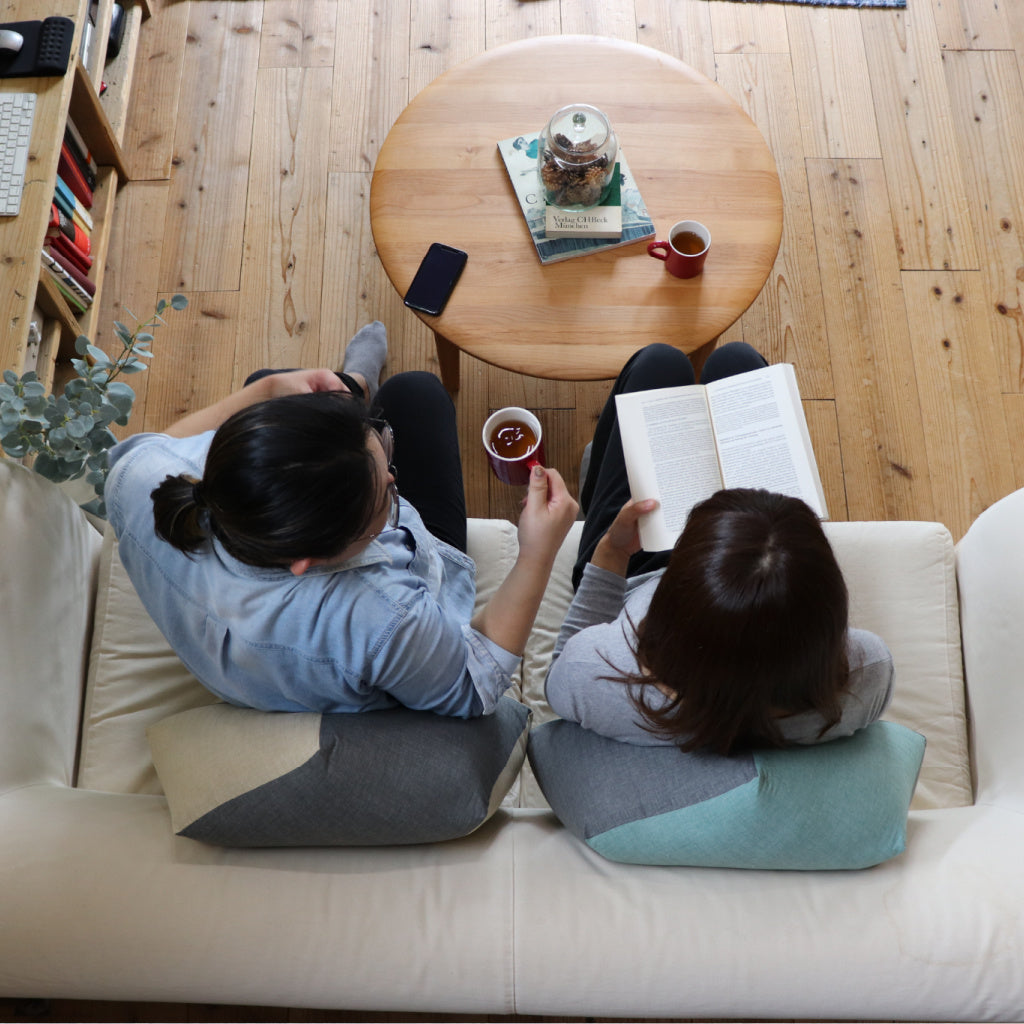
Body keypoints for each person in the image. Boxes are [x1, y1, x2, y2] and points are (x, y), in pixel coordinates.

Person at [105, 322, 578, 718]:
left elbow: (148, 446)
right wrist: (537, 553)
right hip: (366, 642)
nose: (395, 476)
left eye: (377, 440)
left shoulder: (136, 475)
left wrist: (266, 391)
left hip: (240, 661)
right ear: (307, 561)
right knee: (420, 391)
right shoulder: (381, 616)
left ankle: (355, 384)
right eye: (386, 498)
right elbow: (475, 687)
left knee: (277, 377)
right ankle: (357, 388)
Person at [545, 343, 894, 756]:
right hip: (769, 585)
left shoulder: (600, 676)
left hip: (634, 572)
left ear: (667, 622)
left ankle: (597, 483)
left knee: (659, 363)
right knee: (740, 366)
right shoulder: (866, 674)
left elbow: (561, 668)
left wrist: (611, 554)